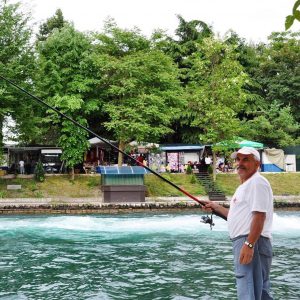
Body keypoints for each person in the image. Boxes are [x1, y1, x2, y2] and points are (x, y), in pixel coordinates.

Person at [205, 147, 273, 300]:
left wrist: (249, 245)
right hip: (248, 241)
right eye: (238, 159)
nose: (240, 163)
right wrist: (216, 207)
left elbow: (259, 216)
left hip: (251, 241)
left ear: (257, 164)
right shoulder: (246, 185)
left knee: (248, 291)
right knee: (258, 293)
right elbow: (237, 217)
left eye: (246, 160)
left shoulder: (257, 182)